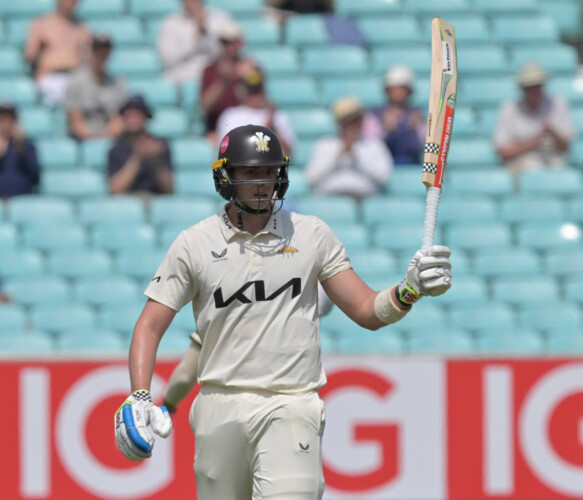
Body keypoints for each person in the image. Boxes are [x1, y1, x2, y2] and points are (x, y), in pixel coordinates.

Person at [113, 124, 452, 498]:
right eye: (250, 172)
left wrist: (409, 290)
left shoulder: (311, 234)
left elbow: (366, 310)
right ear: (226, 176)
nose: (262, 183)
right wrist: (140, 395)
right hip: (217, 408)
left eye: (269, 171)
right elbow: (149, 325)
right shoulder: (194, 243)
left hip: (292, 403)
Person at [159, 286, 334, 414]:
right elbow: (325, 298)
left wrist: (168, 405)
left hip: (229, 411)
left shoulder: (223, 304)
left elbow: (185, 375)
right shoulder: (300, 292)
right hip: (287, 405)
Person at [493, 62, 575, 175]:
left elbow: (565, 148)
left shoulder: (558, 104)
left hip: (553, 161)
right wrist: (535, 140)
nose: (534, 92)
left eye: (537, 86)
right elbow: (503, 152)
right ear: (522, 89)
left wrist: (553, 132)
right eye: (529, 88)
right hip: (522, 162)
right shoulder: (509, 109)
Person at [306, 96, 393, 201]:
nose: (356, 124)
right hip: (330, 199)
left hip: (363, 199)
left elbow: (383, 178)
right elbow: (311, 178)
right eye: (350, 121)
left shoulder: (374, 145)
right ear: (340, 123)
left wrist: (357, 155)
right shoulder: (325, 144)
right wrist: (338, 155)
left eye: (359, 119)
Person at [199, 20, 258, 142]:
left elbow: (260, 103)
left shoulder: (252, 69)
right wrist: (222, 81)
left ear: (240, 43)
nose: (228, 47)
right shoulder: (210, 70)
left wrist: (249, 80)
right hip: (218, 131)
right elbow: (205, 106)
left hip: (246, 127)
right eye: (224, 42)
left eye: (232, 42)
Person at [24, 0, 91, 106]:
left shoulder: (82, 28)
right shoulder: (42, 24)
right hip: (49, 79)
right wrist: (39, 49)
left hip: (74, 78)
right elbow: (29, 56)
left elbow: (89, 59)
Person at [63, 33, 128, 141]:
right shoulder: (76, 82)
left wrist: (105, 139)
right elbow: (76, 122)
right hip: (81, 141)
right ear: (91, 52)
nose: (101, 54)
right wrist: (96, 140)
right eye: (97, 50)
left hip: (109, 140)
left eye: (104, 51)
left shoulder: (117, 84)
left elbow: (117, 122)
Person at [216, 69, 296, 155]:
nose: (256, 96)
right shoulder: (230, 116)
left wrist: (274, 128)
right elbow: (229, 150)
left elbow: (289, 152)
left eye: (258, 91)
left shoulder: (278, 116)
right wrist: (267, 127)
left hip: (273, 162)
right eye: (252, 92)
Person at [107, 95, 173, 197]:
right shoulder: (116, 150)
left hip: (155, 199)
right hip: (128, 201)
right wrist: (137, 157)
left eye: (137, 114)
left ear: (146, 117)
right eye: (129, 115)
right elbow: (116, 190)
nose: (132, 119)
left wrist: (156, 161)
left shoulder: (160, 145)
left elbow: (168, 188)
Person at [0, 103, 41, 199]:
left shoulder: (27, 147)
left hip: (20, 200)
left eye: (10, 120)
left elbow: (36, 178)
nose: (6, 124)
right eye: (3, 119)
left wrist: (22, 151)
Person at [156, 0, 233, 84]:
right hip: (181, 78)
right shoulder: (170, 22)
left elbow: (227, 51)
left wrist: (204, 32)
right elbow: (168, 59)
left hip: (214, 76)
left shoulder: (220, 18)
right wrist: (194, 38)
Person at [363, 65, 425, 165]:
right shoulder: (375, 115)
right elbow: (368, 147)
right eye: (394, 88)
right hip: (382, 166)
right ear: (387, 90)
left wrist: (418, 128)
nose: (398, 92)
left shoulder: (417, 115)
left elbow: (425, 146)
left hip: (412, 165)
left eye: (402, 88)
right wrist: (384, 130)